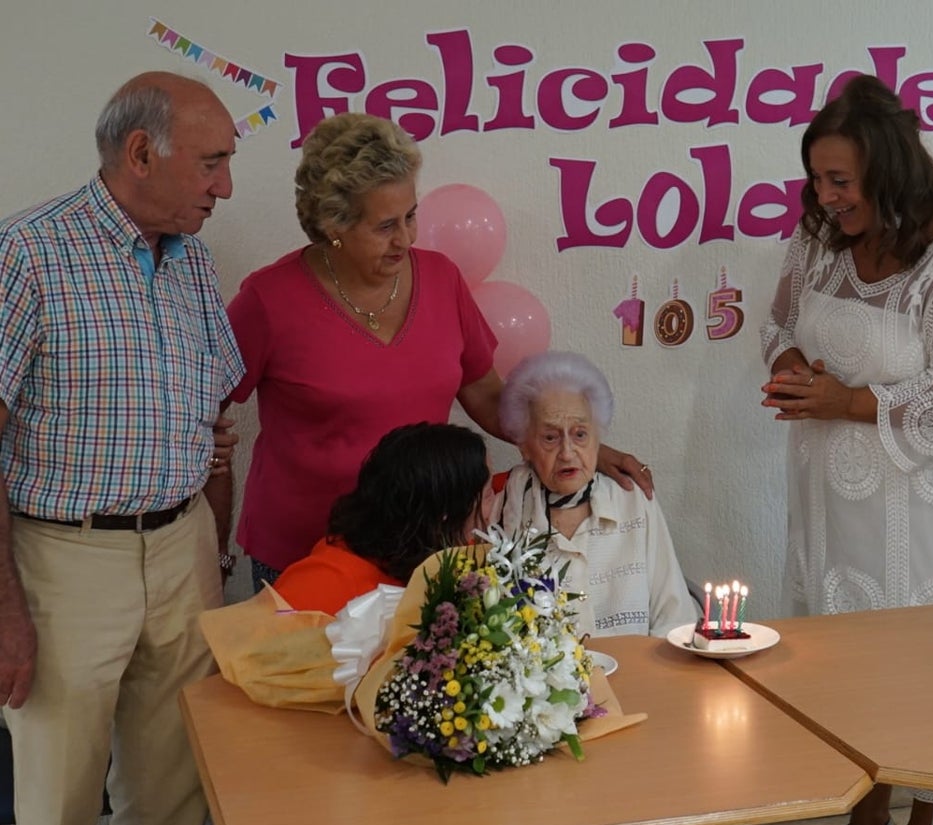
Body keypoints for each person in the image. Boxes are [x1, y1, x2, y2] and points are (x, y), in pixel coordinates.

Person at [217, 113, 651, 591]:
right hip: (302, 555)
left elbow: (487, 395)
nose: (406, 238)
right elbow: (206, 412)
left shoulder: (441, 279)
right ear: (332, 225)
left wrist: (582, 446)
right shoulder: (269, 300)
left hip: (423, 546)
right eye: (384, 225)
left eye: (410, 215)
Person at [759, 74, 933, 825]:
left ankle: (929, 818)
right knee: (846, 656)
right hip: (837, 492)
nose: (826, 195)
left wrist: (847, 402)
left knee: (931, 661)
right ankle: (864, 807)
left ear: (887, 170)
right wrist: (796, 363)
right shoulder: (818, 235)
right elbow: (777, 325)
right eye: (817, 178)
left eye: (841, 180)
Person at [0, 72, 243, 825]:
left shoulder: (193, 262)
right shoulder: (26, 254)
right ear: (141, 152)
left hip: (183, 552)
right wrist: (4, 612)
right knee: (59, 799)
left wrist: (214, 546)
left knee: (174, 792)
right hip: (63, 564)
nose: (226, 187)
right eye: (211, 162)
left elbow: (213, 423)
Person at [494, 351, 696, 638]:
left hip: (633, 678)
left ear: (598, 438)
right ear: (524, 446)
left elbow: (674, 617)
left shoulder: (632, 499)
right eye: (550, 437)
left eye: (580, 434)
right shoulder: (508, 506)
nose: (567, 452)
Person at [273, 423, 493, 614]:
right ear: (446, 513)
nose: (492, 508)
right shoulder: (321, 588)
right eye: (489, 494)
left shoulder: (449, 552)